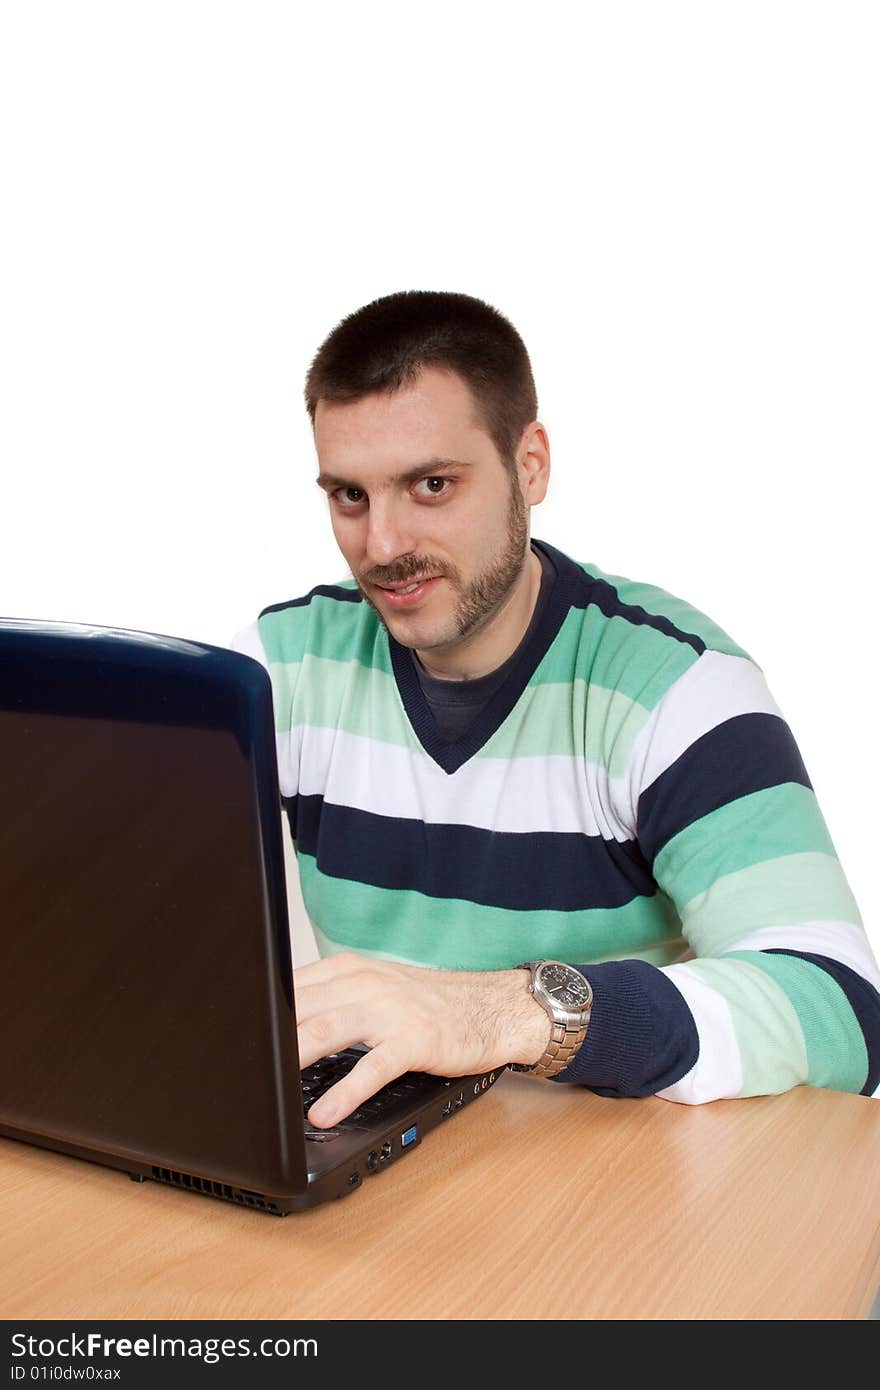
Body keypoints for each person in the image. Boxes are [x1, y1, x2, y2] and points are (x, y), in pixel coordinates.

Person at [233, 289, 880, 1129]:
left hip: (613, 1192)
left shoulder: (677, 688)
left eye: (431, 484)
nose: (382, 546)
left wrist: (506, 1014)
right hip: (379, 1161)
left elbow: (843, 1012)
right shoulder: (280, 666)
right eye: (349, 496)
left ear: (530, 463)